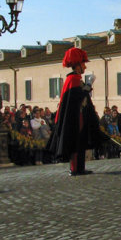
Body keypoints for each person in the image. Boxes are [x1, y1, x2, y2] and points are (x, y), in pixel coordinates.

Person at [46, 47, 109, 176]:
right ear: (77, 64)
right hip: (75, 117)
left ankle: (80, 167)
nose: (84, 67)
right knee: (76, 142)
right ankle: (75, 169)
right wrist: (89, 85)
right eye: (83, 64)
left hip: (79, 115)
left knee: (80, 142)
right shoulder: (73, 79)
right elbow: (78, 97)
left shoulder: (75, 78)